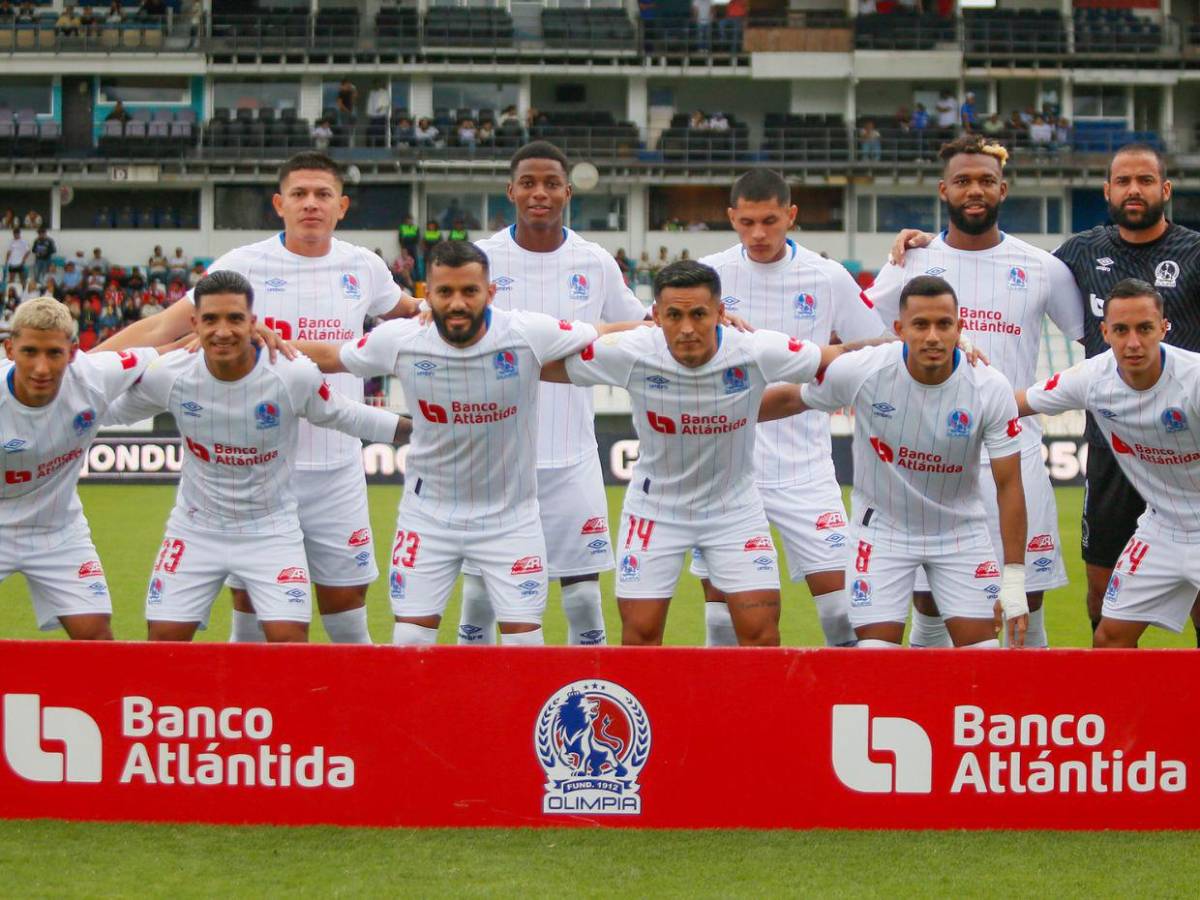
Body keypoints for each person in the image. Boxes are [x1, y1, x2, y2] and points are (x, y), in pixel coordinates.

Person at [97, 151, 420, 645]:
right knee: (250, 598)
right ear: (279, 203)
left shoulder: (364, 266)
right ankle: (250, 713)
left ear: (342, 206)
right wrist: (78, 368)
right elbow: (165, 325)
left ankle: (351, 714)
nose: (310, 204)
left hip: (335, 466)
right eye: (299, 194)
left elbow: (410, 313)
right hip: (258, 474)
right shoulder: (242, 265)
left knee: (345, 601)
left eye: (322, 195)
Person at [894, 142, 1200, 642]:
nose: (1134, 190)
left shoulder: (1195, 253)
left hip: (1189, 444)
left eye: (1145, 181)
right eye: (1123, 181)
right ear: (1107, 190)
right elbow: (994, 263)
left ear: (1165, 189)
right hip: (1117, 446)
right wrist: (935, 245)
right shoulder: (1077, 254)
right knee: (1102, 597)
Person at [294, 241, 623, 646]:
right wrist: (253, 342)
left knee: (524, 646)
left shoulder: (526, 331)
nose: (457, 303)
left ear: (490, 293)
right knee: (410, 642)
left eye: (470, 291)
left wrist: (674, 333)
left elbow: (605, 333)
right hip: (428, 518)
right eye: (445, 292)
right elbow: (329, 355)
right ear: (426, 295)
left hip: (510, 519)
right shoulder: (400, 338)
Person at [543, 260, 852, 646]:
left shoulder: (755, 350)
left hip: (734, 510)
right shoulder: (631, 350)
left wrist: (906, 350)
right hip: (656, 509)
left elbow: (837, 357)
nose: (687, 328)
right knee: (639, 638)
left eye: (699, 314)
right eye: (673, 315)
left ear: (721, 313)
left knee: (761, 638)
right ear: (655, 316)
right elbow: (543, 364)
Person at [106, 271, 406, 643]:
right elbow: (106, 412)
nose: (223, 330)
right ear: (194, 323)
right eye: (211, 319)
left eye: (234, 318)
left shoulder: (291, 373)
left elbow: (347, 415)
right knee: (164, 639)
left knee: (289, 640)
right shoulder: (170, 374)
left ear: (253, 323)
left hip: (271, 530)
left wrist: (426, 431)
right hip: (196, 528)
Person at [868, 135, 1083, 650]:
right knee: (930, 601)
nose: (975, 190)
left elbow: (1095, 353)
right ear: (944, 189)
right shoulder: (909, 262)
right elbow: (867, 339)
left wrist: (1031, 399)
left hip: (1017, 456)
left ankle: (1018, 722)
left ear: (1003, 189)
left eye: (986, 180)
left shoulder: (1042, 267)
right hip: (930, 460)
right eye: (963, 180)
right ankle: (935, 719)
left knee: (1024, 600)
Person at [454, 142, 652, 647]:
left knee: (583, 601)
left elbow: (639, 327)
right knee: (479, 600)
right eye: (528, 183)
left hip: (572, 459)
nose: (538, 193)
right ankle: (474, 713)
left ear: (568, 191)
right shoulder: (482, 260)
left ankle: (586, 693)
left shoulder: (594, 260)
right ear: (511, 191)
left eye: (549, 184)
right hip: (493, 460)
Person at [765, 275, 1030, 648]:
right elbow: (792, 399)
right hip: (881, 534)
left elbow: (1009, 484)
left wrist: (1014, 578)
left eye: (944, 324)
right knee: (875, 658)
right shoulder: (865, 370)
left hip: (960, 533)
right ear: (899, 329)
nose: (933, 337)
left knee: (982, 661)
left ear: (960, 327)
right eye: (920, 325)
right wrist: (719, 419)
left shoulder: (989, 387)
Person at [686, 169, 886, 648]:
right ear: (731, 217)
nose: (758, 233)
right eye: (747, 221)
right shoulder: (706, 274)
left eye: (770, 221)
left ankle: (843, 714)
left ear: (790, 216)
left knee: (843, 613)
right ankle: (733, 719)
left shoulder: (826, 275)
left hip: (805, 471)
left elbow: (875, 344)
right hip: (724, 471)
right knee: (722, 622)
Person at [1018, 280, 1200, 647]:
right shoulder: (1092, 378)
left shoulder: (1193, 380)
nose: (1133, 342)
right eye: (1121, 330)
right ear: (1104, 332)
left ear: (1164, 328)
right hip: (1161, 529)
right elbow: (1014, 403)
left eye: (1145, 328)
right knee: (1108, 640)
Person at [0, 297, 157, 640]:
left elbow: (168, 347)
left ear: (73, 353)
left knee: (96, 637)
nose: (42, 368)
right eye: (29, 352)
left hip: (58, 531)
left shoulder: (92, 374)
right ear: (9, 349)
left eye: (54, 353)